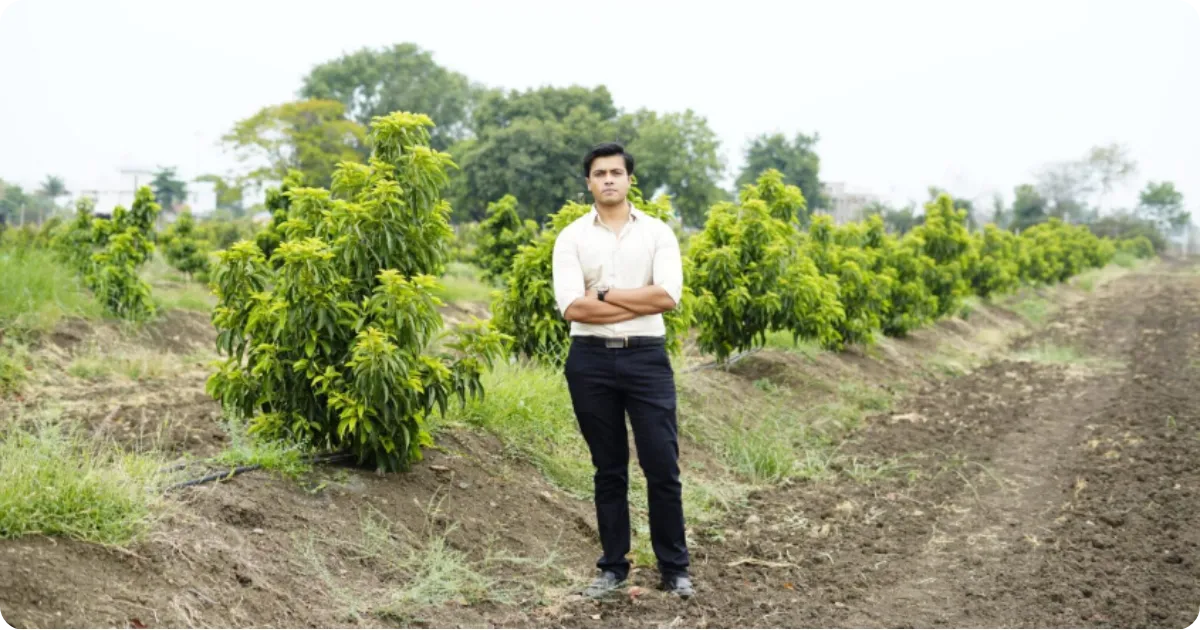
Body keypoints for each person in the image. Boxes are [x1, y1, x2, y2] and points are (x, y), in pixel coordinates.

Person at [552, 142, 694, 600]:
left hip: (647, 359)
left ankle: (675, 569)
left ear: (630, 179)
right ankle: (613, 567)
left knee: (661, 466)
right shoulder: (572, 236)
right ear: (589, 182)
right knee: (608, 469)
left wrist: (606, 294)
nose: (608, 179)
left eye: (616, 172)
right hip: (590, 362)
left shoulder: (658, 234)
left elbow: (667, 297)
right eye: (599, 173)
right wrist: (632, 299)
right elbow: (573, 308)